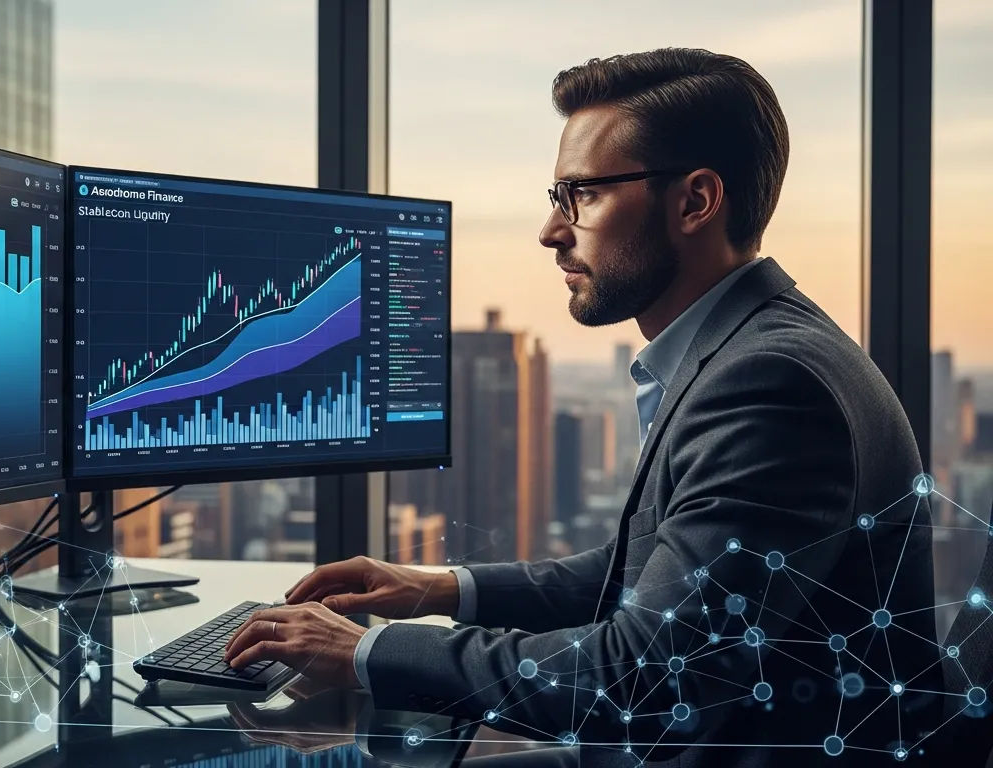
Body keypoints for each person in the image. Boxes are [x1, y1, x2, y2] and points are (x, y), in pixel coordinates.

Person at [224, 48, 940, 767]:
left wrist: (368, 650)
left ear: (695, 201)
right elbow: (647, 571)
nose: (550, 230)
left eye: (582, 195)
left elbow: (643, 679)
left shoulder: (769, 383)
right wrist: (437, 589)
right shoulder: (743, 349)